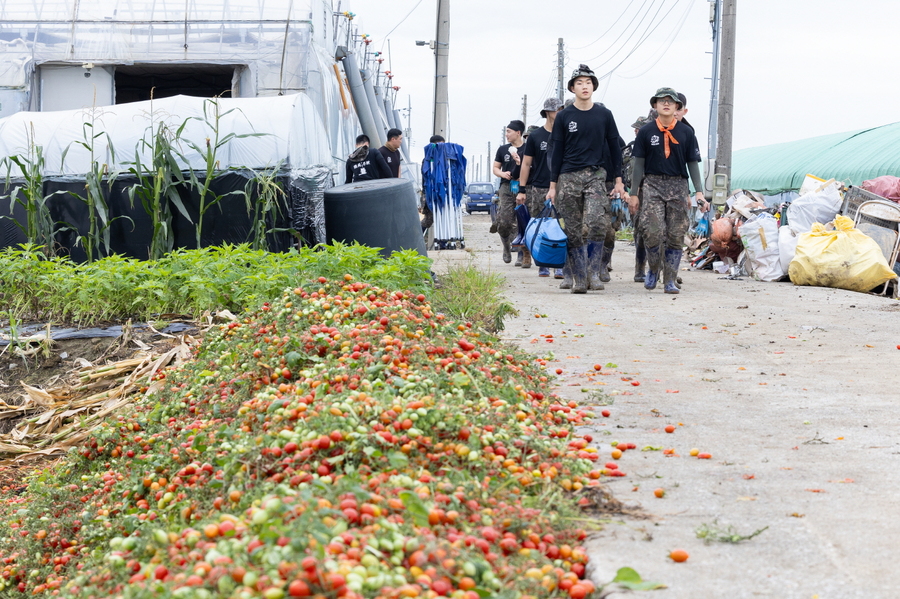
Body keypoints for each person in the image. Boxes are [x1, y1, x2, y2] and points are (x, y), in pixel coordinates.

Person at [547, 64, 625, 293]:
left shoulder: (604, 115)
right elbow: (557, 152)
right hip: (568, 176)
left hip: (595, 175)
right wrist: (553, 186)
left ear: (594, 87)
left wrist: (619, 181)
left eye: (588, 83)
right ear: (572, 88)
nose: (584, 86)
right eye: (579, 83)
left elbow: (615, 149)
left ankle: (593, 272)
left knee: (597, 224)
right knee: (572, 229)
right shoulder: (564, 116)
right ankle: (579, 278)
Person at [628, 87, 709, 294]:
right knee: (652, 231)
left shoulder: (686, 132)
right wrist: (634, 193)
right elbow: (638, 164)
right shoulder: (646, 132)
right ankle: (653, 269)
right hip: (652, 184)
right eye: (661, 101)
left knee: (675, 234)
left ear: (677, 107)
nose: (666, 104)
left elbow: (692, 163)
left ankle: (670, 280)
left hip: (678, 185)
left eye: (670, 102)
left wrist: (698, 192)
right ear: (655, 105)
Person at [518, 97, 563, 277]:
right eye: (555, 110)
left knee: (561, 226)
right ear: (547, 113)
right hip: (539, 187)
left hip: (562, 187)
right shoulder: (536, 136)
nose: (558, 113)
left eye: (560, 110)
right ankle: (543, 263)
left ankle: (560, 264)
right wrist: (522, 189)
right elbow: (526, 164)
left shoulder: (566, 133)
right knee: (541, 225)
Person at [492, 120, 526, 264]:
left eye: (509, 131)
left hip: (523, 186)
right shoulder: (503, 149)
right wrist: (502, 174)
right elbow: (495, 168)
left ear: (518, 133)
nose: (506, 135)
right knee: (504, 222)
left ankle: (521, 252)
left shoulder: (528, 148)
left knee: (522, 221)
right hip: (506, 187)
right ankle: (507, 247)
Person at [419, 135, 446, 232]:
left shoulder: (443, 160)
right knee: (429, 219)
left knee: (442, 218)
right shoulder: (428, 160)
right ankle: (417, 237)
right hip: (430, 194)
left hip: (440, 193)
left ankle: (443, 241)